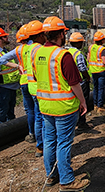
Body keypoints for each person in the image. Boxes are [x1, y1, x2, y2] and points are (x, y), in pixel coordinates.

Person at [33, 16, 90, 191]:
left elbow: (36, 77)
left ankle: (51, 176)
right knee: (63, 143)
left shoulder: (37, 53)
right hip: (64, 106)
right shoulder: (63, 55)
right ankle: (66, 180)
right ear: (60, 34)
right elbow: (74, 83)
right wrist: (83, 102)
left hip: (45, 105)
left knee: (49, 141)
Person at [0, 24, 37, 144]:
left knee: (29, 110)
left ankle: (31, 134)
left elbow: (1, 60)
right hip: (34, 82)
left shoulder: (18, 49)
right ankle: (40, 136)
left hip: (23, 82)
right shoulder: (36, 48)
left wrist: (17, 66)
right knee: (38, 110)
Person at [26, 20, 48, 157]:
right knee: (43, 119)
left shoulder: (27, 48)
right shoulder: (39, 49)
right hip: (39, 87)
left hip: (31, 87)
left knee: (37, 117)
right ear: (40, 35)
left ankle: (40, 146)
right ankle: (43, 145)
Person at [66, 32, 92, 130]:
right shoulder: (78, 54)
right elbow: (82, 68)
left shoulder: (66, 51)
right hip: (80, 82)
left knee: (73, 103)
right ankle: (82, 123)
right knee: (83, 102)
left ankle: (75, 122)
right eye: (81, 42)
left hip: (69, 83)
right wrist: (87, 77)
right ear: (77, 43)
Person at [88, 31, 105, 113]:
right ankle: (100, 106)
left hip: (93, 71)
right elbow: (104, 61)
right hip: (101, 71)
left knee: (95, 88)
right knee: (101, 88)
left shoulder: (90, 47)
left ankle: (95, 105)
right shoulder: (102, 49)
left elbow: (88, 58)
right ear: (102, 40)